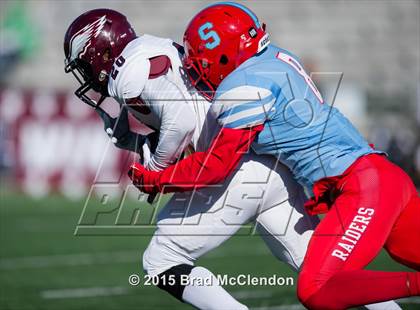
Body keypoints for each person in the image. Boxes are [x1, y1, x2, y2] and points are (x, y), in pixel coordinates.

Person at [127, 3, 420, 309]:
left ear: (224, 55)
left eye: (200, 61)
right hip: (383, 176)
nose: (195, 69)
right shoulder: (274, 57)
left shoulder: (242, 87)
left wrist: (157, 179)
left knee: (316, 289)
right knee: (340, 273)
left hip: (363, 187)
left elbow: (215, 166)